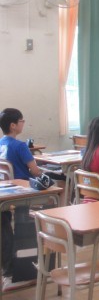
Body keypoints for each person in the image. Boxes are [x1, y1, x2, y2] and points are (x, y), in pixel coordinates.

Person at [0, 108, 43, 288]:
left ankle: (8, 271)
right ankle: (25, 269)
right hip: (22, 193)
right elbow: (35, 171)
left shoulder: (1, 143)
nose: (23, 123)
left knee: (4, 228)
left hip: (5, 193)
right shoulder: (20, 146)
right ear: (13, 125)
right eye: (22, 121)